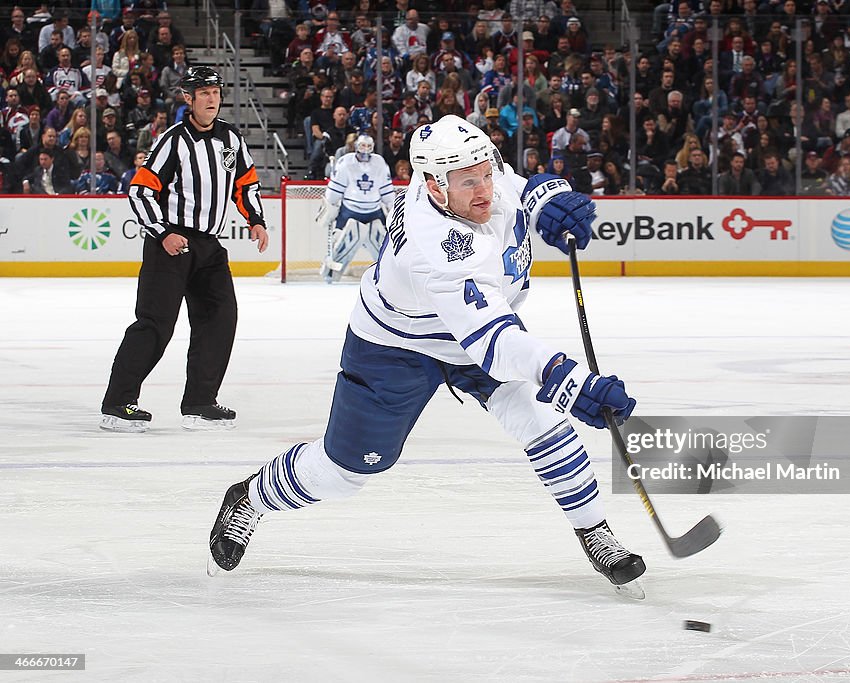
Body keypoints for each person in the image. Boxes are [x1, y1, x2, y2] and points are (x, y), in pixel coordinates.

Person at [207, 115, 645, 597]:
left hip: (475, 332)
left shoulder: (465, 177)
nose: (484, 190)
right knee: (347, 471)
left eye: (486, 173)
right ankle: (249, 498)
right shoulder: (438, 242)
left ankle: (594, 532)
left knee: (542, 422)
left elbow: (514, 186)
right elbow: (493, 343)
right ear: (435, 189)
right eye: (468, 183)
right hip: (397, 347)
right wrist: (568, 381)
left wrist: (549, 198)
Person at [99, 67, 269, 433]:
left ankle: (199, 402)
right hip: (171, 246)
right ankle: (117, 404)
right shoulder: (172, 141)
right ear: (188, 98)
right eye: (203, 92)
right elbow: (141, 190)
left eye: (215, 91)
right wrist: (162, 233)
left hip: (209, 247)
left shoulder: (231, 139)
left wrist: (256, 219)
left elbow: (246, 183)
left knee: (220, 319)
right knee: (155, 325)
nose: (212, 98)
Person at [316, 134, 396, 283]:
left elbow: (386, 191)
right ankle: (331, 274)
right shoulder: (345, 162)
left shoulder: (379, 163)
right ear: (356, 146)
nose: (365, 150)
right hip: (349, 210)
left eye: (368, 146)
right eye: (362, 146)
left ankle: (389, 275)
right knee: (340, 241)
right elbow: (335, 190)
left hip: (374, 211)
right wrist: (329, 207)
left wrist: (394, 209)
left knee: (385, 244)